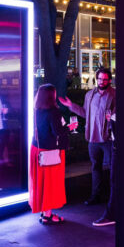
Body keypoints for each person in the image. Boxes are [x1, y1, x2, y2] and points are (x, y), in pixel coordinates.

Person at [59, 67, 115, 206]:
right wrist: (71, 105)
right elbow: (85, 113)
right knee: (95, 168)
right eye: (100, 78)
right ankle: (95, 196)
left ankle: (114, 199)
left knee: (114, 169)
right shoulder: (89, 95)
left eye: (105, 79)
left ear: (109, 80)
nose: (102, 81)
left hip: (108, 138)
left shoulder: (115, 95)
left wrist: (112, 118)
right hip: (92, 138)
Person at [31, 84, 72, 225]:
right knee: (50, 183)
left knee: (41, 182)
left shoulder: (36, 110)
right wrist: (69, 128)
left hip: (37, 149)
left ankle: (44, 212)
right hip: (50, 151)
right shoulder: (53, 112)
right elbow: (58, 132)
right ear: (51, 96)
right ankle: (48, 215)